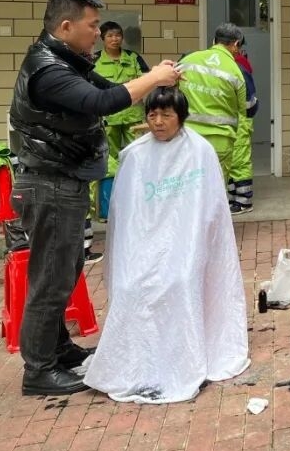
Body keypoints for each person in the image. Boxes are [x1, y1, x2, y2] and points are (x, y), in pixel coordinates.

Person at [8, 0, 180, 396]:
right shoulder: (48, 69)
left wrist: (156, 80)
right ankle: (39, 370)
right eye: (92, 26)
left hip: (64, 179)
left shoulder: (69, 61)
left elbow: (112, 91)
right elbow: (101, 102)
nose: (98, 34)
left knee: (65, 269)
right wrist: (154, 77)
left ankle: (58, 349)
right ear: (66, 26)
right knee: (50, 278)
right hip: (49, 182)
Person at [84, 87, 250, 402]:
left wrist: (188, 245)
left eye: (166, 115)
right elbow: (126, 215)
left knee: (180, 280)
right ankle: (136, 362)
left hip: (187, 244)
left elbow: (210, 209)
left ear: (181, 117)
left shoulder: (200, 151)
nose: (158, 122)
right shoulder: (134, 156)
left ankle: (182, 358)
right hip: (145, 244)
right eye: (152, 114)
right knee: (131, 285)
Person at [88, 21, 150, 249]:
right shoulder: (93, 60)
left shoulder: (133, 58)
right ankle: (108, 207)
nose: (115, 39)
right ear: (102, 38)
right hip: (109, 119)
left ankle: (141, 202)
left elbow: (146, 80)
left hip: (133, 117)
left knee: (140, 158)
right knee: (109, 162)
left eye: (118, 35)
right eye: (110, 36)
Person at [178, 23, 247, 207]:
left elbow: (171, 93)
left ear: (214, 40)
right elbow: (243, 109)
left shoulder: (188, 61)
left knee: (188, 188)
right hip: (220, 140)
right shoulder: (235, 71)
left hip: (188, 138)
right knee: (215, 192)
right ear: (236, 44)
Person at [227, 36, 259, 214]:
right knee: (233, 162)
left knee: (239, 162)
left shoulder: (238, 66)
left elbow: (250, 100)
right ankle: (234, 199)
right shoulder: (238, 64)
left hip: (240, 120)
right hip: (235, 119)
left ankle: (244, 201)